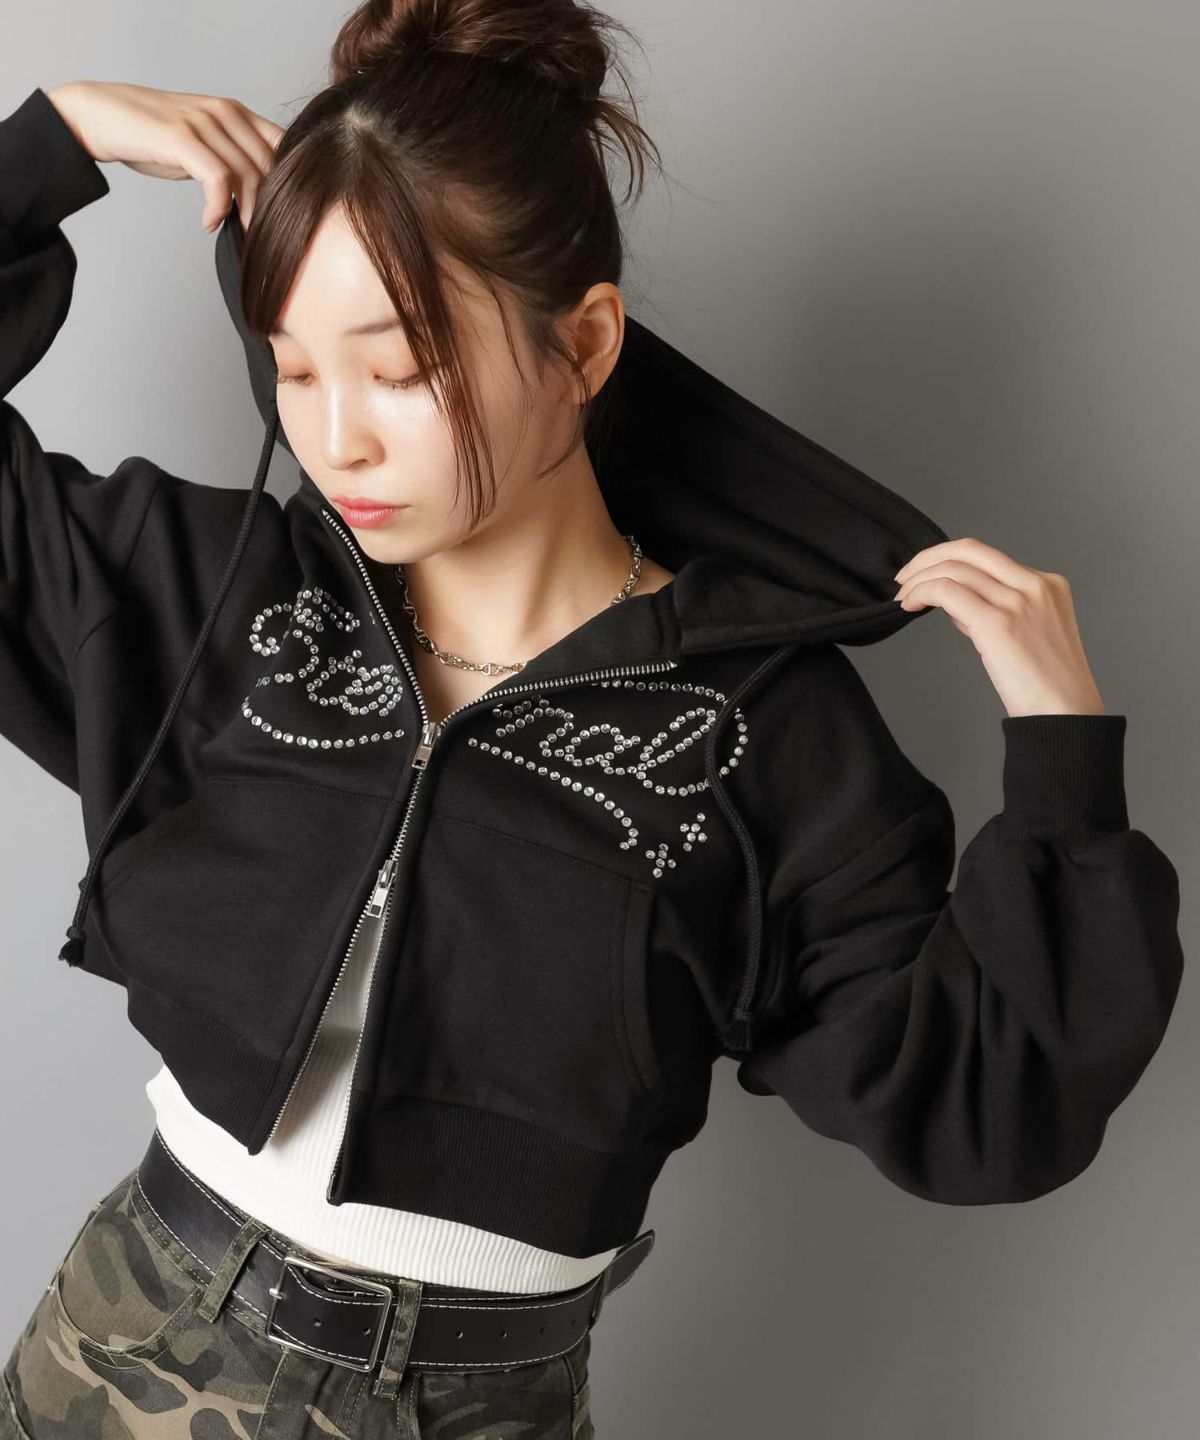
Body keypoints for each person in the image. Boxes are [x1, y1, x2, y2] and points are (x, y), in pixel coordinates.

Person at [0, 0, 1185, 1435]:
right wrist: (50, 142)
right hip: (121, 1341)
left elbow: (989, 1104)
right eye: (295, 368)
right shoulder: (218, 594)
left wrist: (1063, 771)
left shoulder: (764, 728)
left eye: (400, 368)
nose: (337, 436)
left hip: (474, 1404)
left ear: (586, 343)